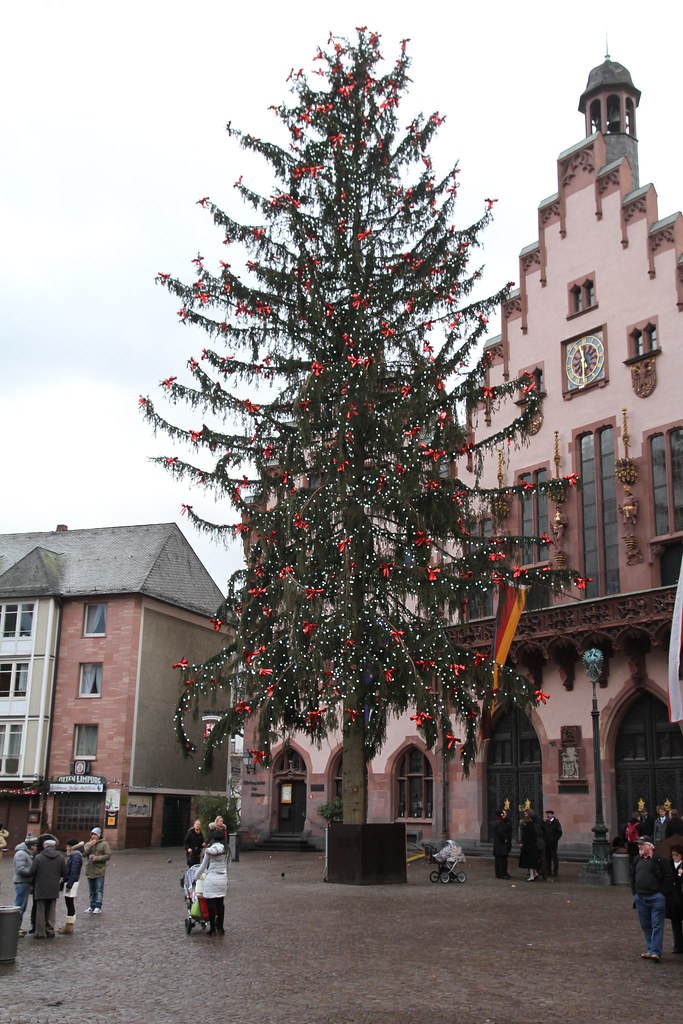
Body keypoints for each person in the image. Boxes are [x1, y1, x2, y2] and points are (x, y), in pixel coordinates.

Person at [631, 836, 671, 962]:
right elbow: (633, 876)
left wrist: (662, 893)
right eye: (639, 845)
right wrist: (635, 893)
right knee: (645, 925)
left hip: (655, 897)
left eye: (642, 845)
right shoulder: (637, 859)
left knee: (657, 924)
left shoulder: (659, 859)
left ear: (649, 846)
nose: (640, 847)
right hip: (641, 897)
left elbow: (668, 875)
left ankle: (655, 951)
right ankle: (650, 948)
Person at [193, 828, 230, 936]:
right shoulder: (227, 850)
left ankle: (212, 928)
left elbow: (203, 867)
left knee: (211, 904)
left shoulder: (209, 851)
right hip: (222, 878)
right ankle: (221, 927)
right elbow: (228, 866)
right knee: (220, 903)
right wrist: (226, 877)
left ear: (213, 839)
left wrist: (195, 877)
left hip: (211, 878)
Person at [28, 835, 65, 939]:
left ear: (44, 846)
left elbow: (32, 872)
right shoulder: (61, 857)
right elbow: (64, 873)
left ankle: (40, 932)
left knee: (40, 909)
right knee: (51, 910)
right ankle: (50, 930)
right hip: (53, 887)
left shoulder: (38, 857)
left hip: (40, 887)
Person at [13, 833, 38, 937]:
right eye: (33, 845)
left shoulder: (26, 853)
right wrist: (32, 871)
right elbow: (20, 869)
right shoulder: (21, 854)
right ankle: (14, 928)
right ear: (29, 845)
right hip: (22, 882)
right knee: (19, 906)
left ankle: (17, 927)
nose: (35, 847)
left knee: (22, 906)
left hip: (25, 882)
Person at [57, 838, 84, 934]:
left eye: (68, 846)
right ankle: (69, 924)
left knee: (69, 903)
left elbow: (74, 872)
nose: (66, 848)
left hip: (71, 882)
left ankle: (69, 925)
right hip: (70, 881)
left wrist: (69, 884)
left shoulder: (76, 857)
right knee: (69, 903)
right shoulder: (73, 856)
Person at [83, 826, 111, 914]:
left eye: (95, 834)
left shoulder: (104, 844)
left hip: (99, 870)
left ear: (99, 835)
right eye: (92, 834)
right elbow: (84, 854)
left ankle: (98, 906)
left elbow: (108, 856)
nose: (93, 836)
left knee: (99, 890)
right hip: (90, 870)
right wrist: (90, 846)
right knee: (92, 890)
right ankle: (91, 906)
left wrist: (97, 858)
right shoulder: (88, 844)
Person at [668, 840, 683, 955]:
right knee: (675, 924)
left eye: (676, 855)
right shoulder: (669, 865)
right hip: (674, 899)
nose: (675, 857)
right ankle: (677, 945)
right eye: (673, 855)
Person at [518, 809, 540, 881]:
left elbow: (529, 835)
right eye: (525, 813)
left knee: (530, 861)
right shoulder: (526, 822)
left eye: (527, 814)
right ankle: (535, 873)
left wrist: (525, 843)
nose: (525, 815)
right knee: (531, 860)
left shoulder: (530, 824)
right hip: (529, 844)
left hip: (530, 845)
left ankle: (532, 875)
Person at [493, 809, 512, 879]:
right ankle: (502, 873)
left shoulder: (495, 822)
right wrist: (505, 839)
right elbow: (501, 833)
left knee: (498, 860)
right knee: (502, 860)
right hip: (501, 845)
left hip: (497, 845)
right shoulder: (500, 823)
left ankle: (498, 873)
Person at [543, 810, 563, 877]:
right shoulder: (545, 822)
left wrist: (554, 839)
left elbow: (559, 832)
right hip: (546, 843)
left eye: (549, 814)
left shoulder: (556, 823)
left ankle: (555, 871)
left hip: (553, 844)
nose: (547, 816)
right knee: (547, 858)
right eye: (547, 814)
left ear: (552, 815)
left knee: (554, 857)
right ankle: (548, 871)